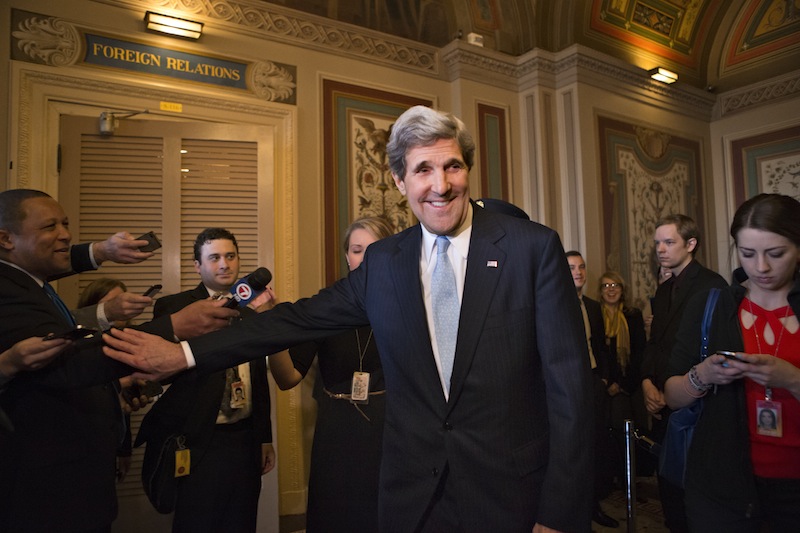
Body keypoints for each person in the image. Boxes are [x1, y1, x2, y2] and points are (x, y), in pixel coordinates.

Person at [104, 105, 594, 532]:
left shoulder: (531, 248)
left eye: (452, 166)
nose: (440, 185)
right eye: (423, 170)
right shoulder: (384, 262)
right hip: (413, 502)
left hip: (511, 499)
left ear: (468, 169)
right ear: (400, 181)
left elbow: (569, 389)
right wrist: (184, 353)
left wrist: (559, 512)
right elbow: (292, 321)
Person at [0, 189, 238, 533]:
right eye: (50, 226)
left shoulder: (30, 281)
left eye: (65, 224)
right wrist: (172, 327)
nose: (66, 234)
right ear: (6, 239)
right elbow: (65, 365)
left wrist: (116, 390)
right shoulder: (9, 289)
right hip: (47, 489)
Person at [664, 193, 800, 532]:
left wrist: (793, 380)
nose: (761, 267)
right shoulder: (712, 306)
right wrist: (702, 375)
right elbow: (672, 395)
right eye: (748, 253)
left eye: (776, 254)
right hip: (720, 488)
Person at [136, 228, 275, 533]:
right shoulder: (175, 309)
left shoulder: (253, 310)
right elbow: (160, 373)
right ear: (198, 266)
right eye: (214, 258)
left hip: (244, 440)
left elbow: (260, 381)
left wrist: (265, 437)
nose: (224, 264)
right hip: (196, 439)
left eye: (230, 256)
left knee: (241, 523)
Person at [270, 216, 394, 532]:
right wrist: (270, 333)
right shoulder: (325, 307)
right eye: (356, 250)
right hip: (336, 430)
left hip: (389, 430)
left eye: (374, 249)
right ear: (345, 255)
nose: (363, 258)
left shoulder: (405, 306)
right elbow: (288, 378)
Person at [639, 213, 727, 532]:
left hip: (697, 405)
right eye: (657, 243)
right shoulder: (663, 291)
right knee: (670, 489)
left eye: (668, 242)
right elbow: (654, 343)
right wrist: (648, 382)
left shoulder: (711, 286)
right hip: (662, 403)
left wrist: (674, 388)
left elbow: (711, 351)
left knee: (697, 497)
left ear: (691, 244)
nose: (660, 249)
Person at [565, 251, 618, 529]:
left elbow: (600, 346)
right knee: (576, 446)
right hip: (570, 386)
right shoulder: (557, 303)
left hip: (594, 380)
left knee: (599, 442)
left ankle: (595, 504)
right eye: (572, 267)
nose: (579, 272)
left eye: (582, 267)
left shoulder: (593, 306)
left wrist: (604, 378)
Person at [597, 271, 650, 478]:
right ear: (600, 292)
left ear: (622, 289)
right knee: (610, 428)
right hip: (605, 384)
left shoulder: (633, 315)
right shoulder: (596, 315)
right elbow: (599, 352)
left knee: (631, 426)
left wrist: (620, 384)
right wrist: (608, 383)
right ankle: (615, 475)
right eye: (606, 286)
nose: (611, 290)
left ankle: (632, 476)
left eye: (615, 286)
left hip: (630, 383)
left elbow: (639, 353)